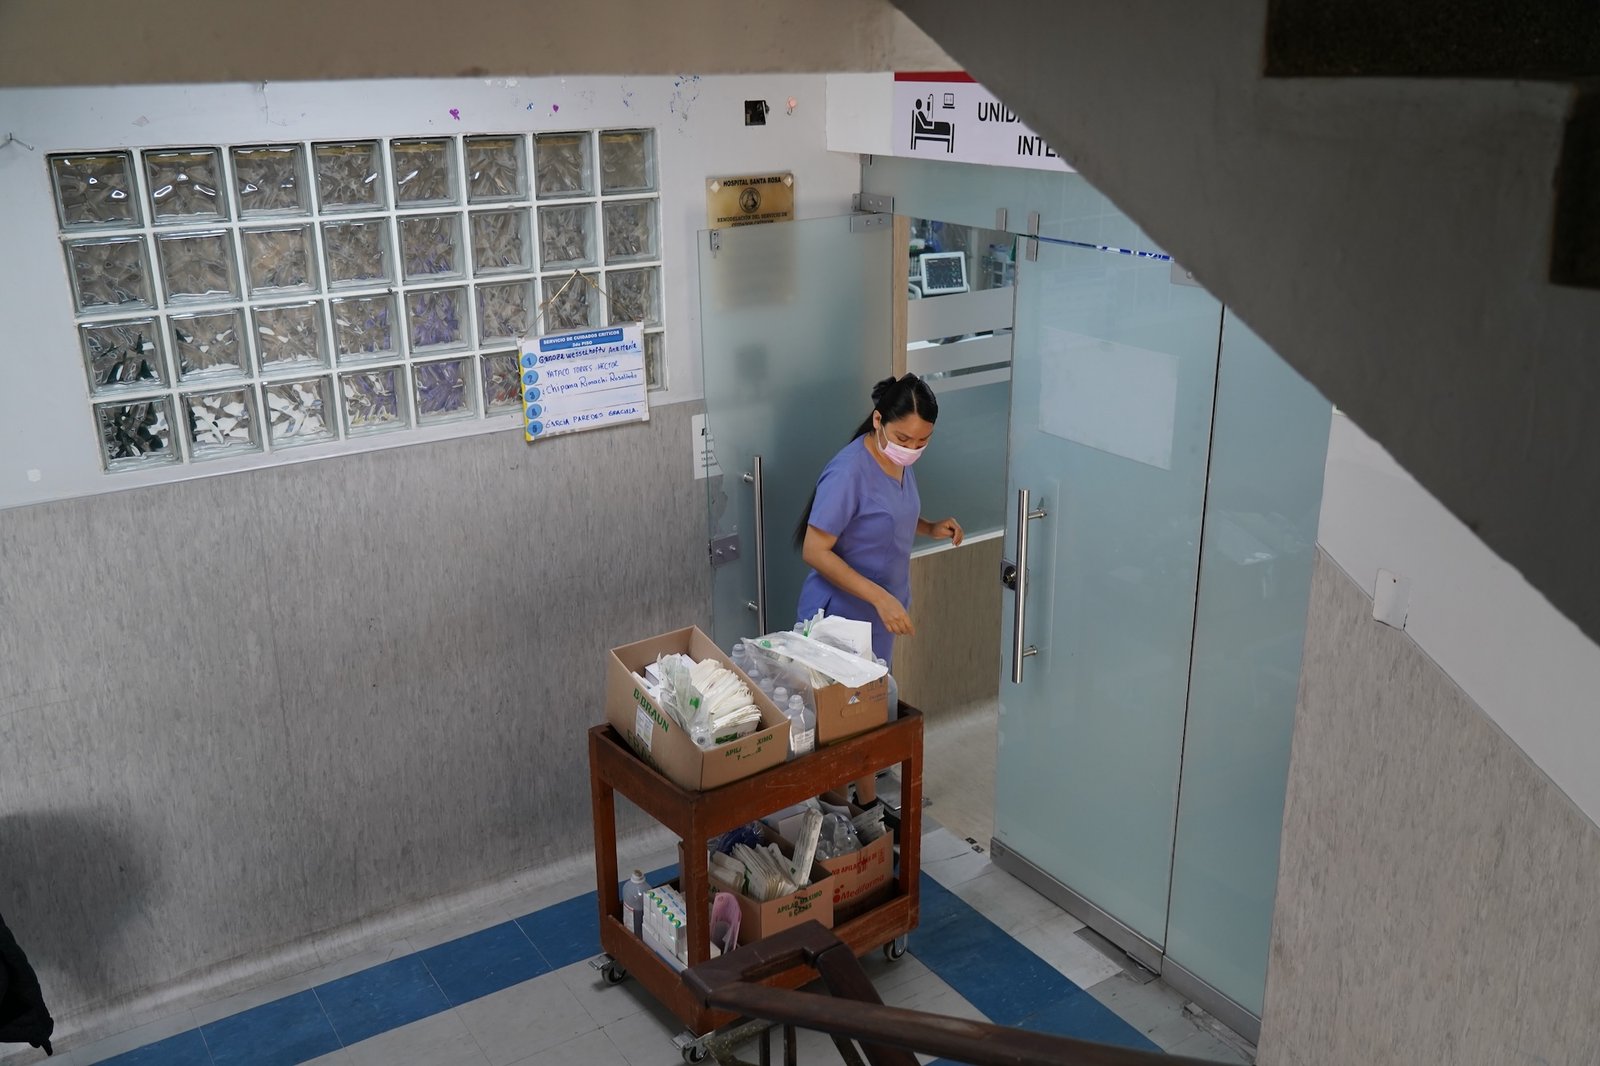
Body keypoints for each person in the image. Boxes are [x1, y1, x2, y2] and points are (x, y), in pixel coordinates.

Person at [793, 374, 963, 803]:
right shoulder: (850, 470)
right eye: (904, 437)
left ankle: (866, 805)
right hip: (839, 619)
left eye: (922, 441)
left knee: (868, 718)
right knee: (840, 730)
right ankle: (839, 821)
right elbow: (815, 550)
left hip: (877, 619)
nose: (912, 447)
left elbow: (888, 516)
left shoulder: (899, 463)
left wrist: (930, 527)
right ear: (877, 420)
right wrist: (881, 598)